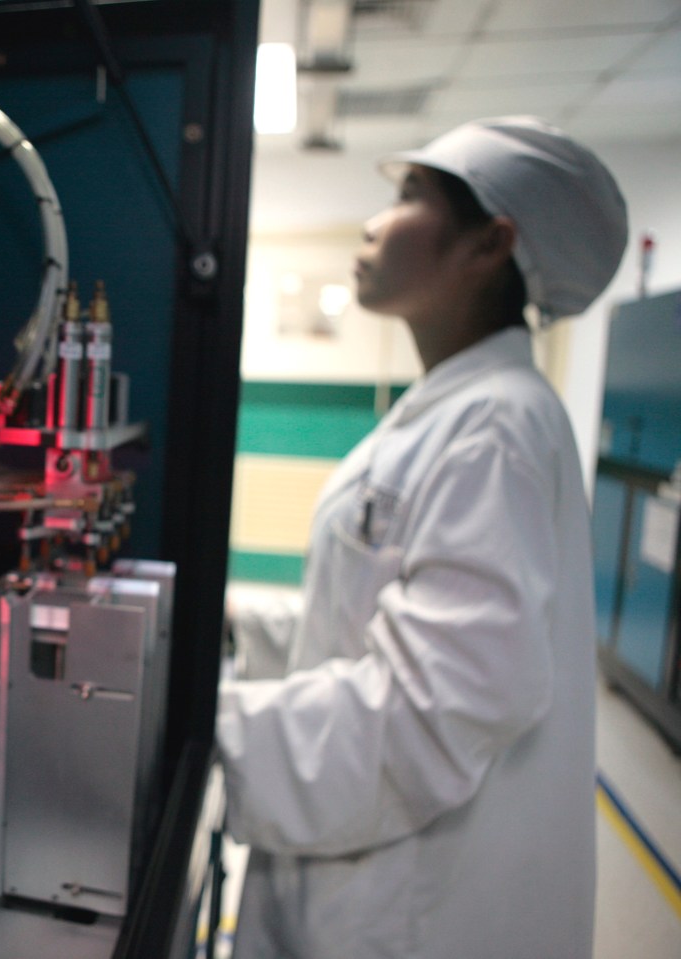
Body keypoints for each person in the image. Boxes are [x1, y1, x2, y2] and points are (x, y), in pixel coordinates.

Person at [216, 116, 628, 959]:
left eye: (409, 195)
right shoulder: (459, 410)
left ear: (490, 243)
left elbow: (436, 704)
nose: (373, 221)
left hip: (411, 915)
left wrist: (200, 727)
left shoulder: (496, 428)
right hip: (374, 890)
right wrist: (222, 632)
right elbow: (371, 628)